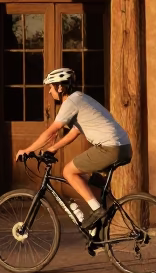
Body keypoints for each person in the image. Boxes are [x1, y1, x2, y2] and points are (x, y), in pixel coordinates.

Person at [15, 67, 132, 230]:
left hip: (109, 147)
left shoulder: (70, 102)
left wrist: (27, 150)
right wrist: (53, 148)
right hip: (123, 148)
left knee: (68, 171)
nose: (49, 92)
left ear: (60, 87)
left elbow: (52, 131)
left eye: (51, 87)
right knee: (94, 186)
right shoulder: (81, 99)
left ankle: (97, 212)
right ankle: (97, 233)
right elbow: (75, 132)